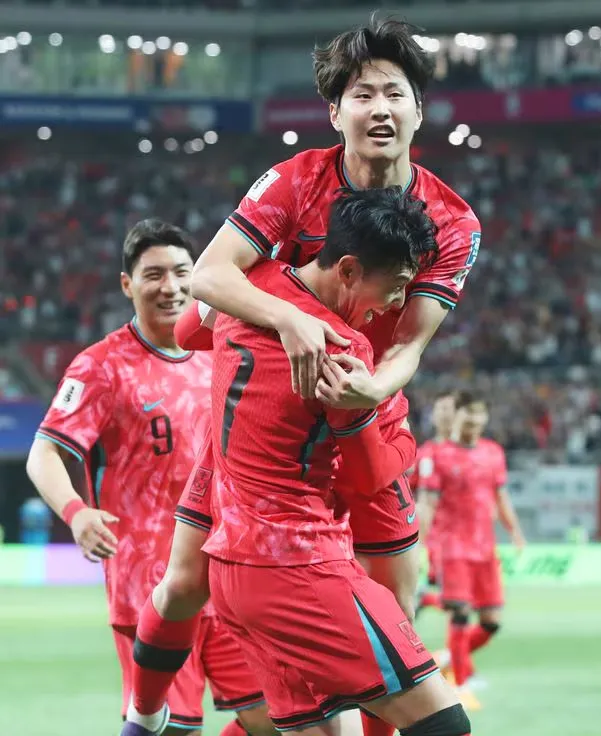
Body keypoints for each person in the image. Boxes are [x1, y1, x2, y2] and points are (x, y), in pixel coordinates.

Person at [127, 17, 480, 736]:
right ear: (334, 111)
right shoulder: (296, 181)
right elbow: (211, 278)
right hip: (270, 425)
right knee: (186, 581)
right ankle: (145, 717)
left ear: (419, 110)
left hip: (365, 412)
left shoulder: (453, 221)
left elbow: (410, 342)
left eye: (395, 94)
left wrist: (373, 390)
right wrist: (289, 320)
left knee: (395, 610)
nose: (379, 109)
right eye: (362, 94)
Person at [206, 188, 470, 736]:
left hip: (230, 568)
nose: (396, 304)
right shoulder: (342, 352)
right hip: (299, 568)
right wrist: (405, 442)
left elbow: (190, 328)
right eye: (396, 285)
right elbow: (372, 477)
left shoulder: (249, 285)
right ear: (348, 269)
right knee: (444, 723)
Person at [26, 220, 267, 736]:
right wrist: (76, 512)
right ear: (127, 284)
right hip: (150, 589)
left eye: (181, 272)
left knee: (277, 719)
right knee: (173, 729)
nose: (171, 287)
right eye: (153, 274)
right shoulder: (101, 366)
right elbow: (43, 453)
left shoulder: (222, 351)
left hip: (226, 578)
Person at [415, 391, 526, 710]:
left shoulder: (493, 453)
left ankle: (449, 658)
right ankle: (460, 684)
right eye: (468, 413)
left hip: (485, 549)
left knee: (491, 621)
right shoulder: (436, 455)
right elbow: (426, 503)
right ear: (458, 415)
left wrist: (515, 531)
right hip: (451, 546)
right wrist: (418, 542)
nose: (474, 420)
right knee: (460, 612)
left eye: (479, 413)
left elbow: (501, 497)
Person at [412, 391, 457, 618]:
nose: (445, 414)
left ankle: (425, 597)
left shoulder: (475, 453)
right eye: (440, 409)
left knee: (466, 601)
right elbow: (409, 491)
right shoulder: (425, 453)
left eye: (450, 409)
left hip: (466, 535)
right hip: (436, 538)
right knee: (458, 603)